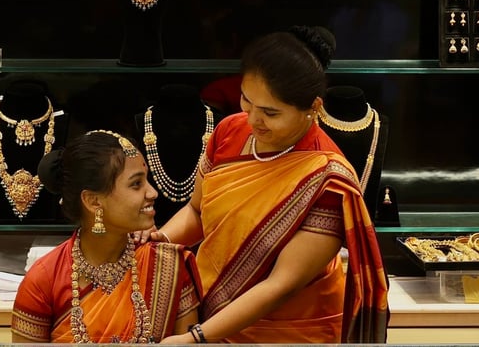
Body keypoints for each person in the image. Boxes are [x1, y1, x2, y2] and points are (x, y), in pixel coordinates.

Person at [149, 26, 389, 343]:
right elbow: (196, 212)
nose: (252, 120)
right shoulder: (228, 131)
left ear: (313, 108)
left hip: (288, 333)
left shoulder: (327, 179)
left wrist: (196, 338)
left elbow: (281, 285)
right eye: (247, 101)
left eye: (270, 113)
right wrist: (156, 241)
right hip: (207, 312)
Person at [12, 130, 201, 343]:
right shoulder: (44, 280)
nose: (152, 193)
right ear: (93, 201)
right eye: (136, 184)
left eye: (146, 180)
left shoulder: (168, 266)